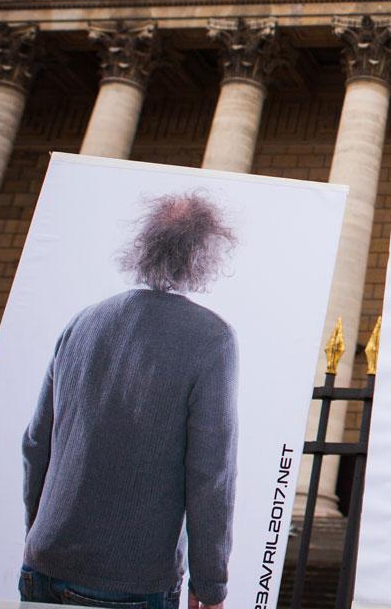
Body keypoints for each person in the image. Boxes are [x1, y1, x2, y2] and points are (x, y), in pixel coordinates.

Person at [21, 192, 240, 609]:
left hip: (42, 563)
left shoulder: (83, 321)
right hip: (130, 580)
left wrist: (41, 533)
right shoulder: (212, 338)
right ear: (206, 255)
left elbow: (35, 443)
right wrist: (210, 585)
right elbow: (211, 473)